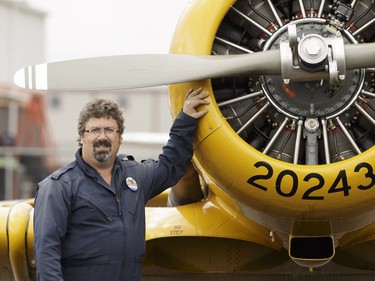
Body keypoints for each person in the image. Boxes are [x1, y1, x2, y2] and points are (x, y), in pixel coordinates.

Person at [33, 88, 209, 281]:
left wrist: (186, 120)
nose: (102, 137)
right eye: (94, 130)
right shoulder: (59, 187)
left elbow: (171, 165)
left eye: (109, 130)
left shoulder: (135, 174)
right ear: (82, 137)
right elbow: (46, 253)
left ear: (120, 137)